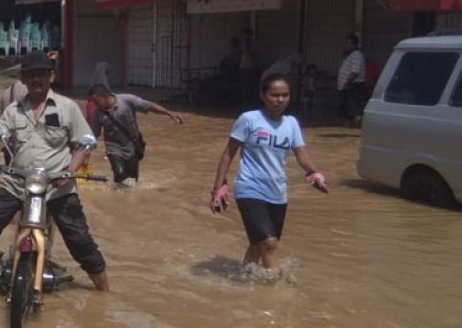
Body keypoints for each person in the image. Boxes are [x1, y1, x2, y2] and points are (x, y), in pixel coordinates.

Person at [0, 52, 109, 291]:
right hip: (17, 184)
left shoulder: (68, 108)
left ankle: (104, 292)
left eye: (42, 74)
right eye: (31, 74)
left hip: (58, 187)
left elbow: (85, 143)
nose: (37, 79)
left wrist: (69, 170)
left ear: (51, 76)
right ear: (23, 79)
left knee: (80, 242)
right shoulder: (13, 110)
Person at [210, 74, 327, 275]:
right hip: (250, 189)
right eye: (274, 95)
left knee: (259, 245)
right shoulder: (249, 119)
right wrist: (218, 188)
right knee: (270, 244)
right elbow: (229, 153)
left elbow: (301, 154)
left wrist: (314, 172)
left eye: (285, 95)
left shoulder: (291, 124)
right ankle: (276, 290)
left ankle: (245, 279)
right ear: (263, 96)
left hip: (278, 193)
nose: (280, 100)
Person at [87, 85, 183, 186]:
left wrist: (169, 113)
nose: (97, 105)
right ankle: (119, 197)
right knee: (119, 175)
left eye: (98, 101)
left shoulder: (126, 100)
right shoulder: (98, 113)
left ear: (106, 96)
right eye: (95, 103)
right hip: (113, 148)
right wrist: (86, 157)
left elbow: (148, 106)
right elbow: (93, 135)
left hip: (132, 145)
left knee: (132, 180)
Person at [336, 34, 367, 126]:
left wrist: (347, 83)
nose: (345, 45)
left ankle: (354, 124)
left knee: (352, 108)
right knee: (347, 107)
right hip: (348, 86)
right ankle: (348, 124)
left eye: (347, 43)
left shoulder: (356, 55)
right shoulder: (351, 55)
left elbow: (355, 72)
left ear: (353, 44)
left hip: (354, 86)